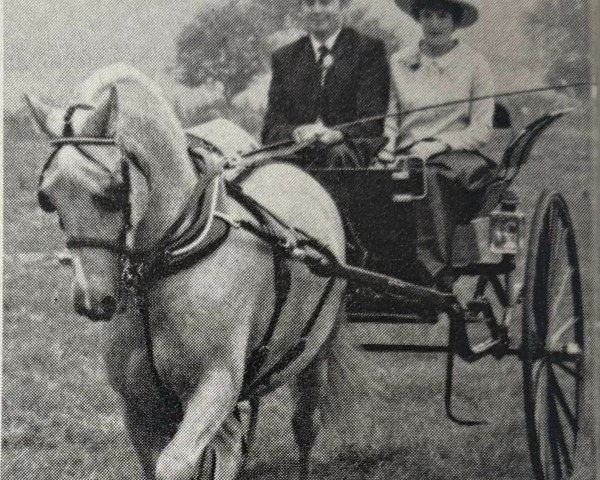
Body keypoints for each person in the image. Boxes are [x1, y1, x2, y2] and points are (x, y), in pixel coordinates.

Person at [379, 0, 496, 284]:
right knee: (373, 179)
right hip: (406, 153)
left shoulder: (475, 64)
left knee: (425, 177)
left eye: (443, 16)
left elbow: (481, 130)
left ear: (455, 22)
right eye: (427, 15)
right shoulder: (399, 62)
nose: (434, 24)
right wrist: (386, 145)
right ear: (418, 18)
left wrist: (438, 144)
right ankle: (378, 270)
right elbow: (390, 118)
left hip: (457, 156)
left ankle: (432, 269)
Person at [262, 0, 391, 168]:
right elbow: (271, 128)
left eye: (325, 2)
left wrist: (337, 134)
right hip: (296, 154)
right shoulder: (285, 58)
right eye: (309, 3)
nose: (316, 10)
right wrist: (296, 132)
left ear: (342, 5)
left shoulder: (368, 50)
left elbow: (372, 123)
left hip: (346, 152)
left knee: (336, 156)